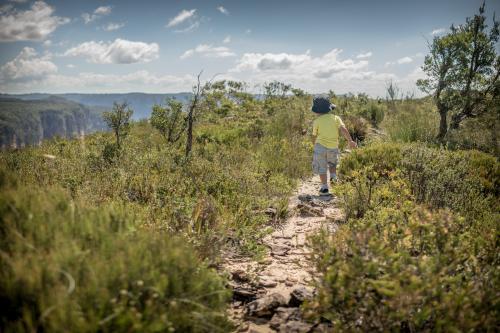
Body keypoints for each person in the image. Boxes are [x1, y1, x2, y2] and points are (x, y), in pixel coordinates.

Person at [311, 97, 357, 195]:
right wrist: (350, 141)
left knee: (321, 167)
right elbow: (343, 129)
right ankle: (333, 178)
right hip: (333, 146)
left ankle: (324, 187)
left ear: (317, 111)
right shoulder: (336, 118)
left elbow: (314, 136)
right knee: (332, 164)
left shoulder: (317, 121)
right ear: (329, 108)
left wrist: (314, 144)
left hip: (320, 146)